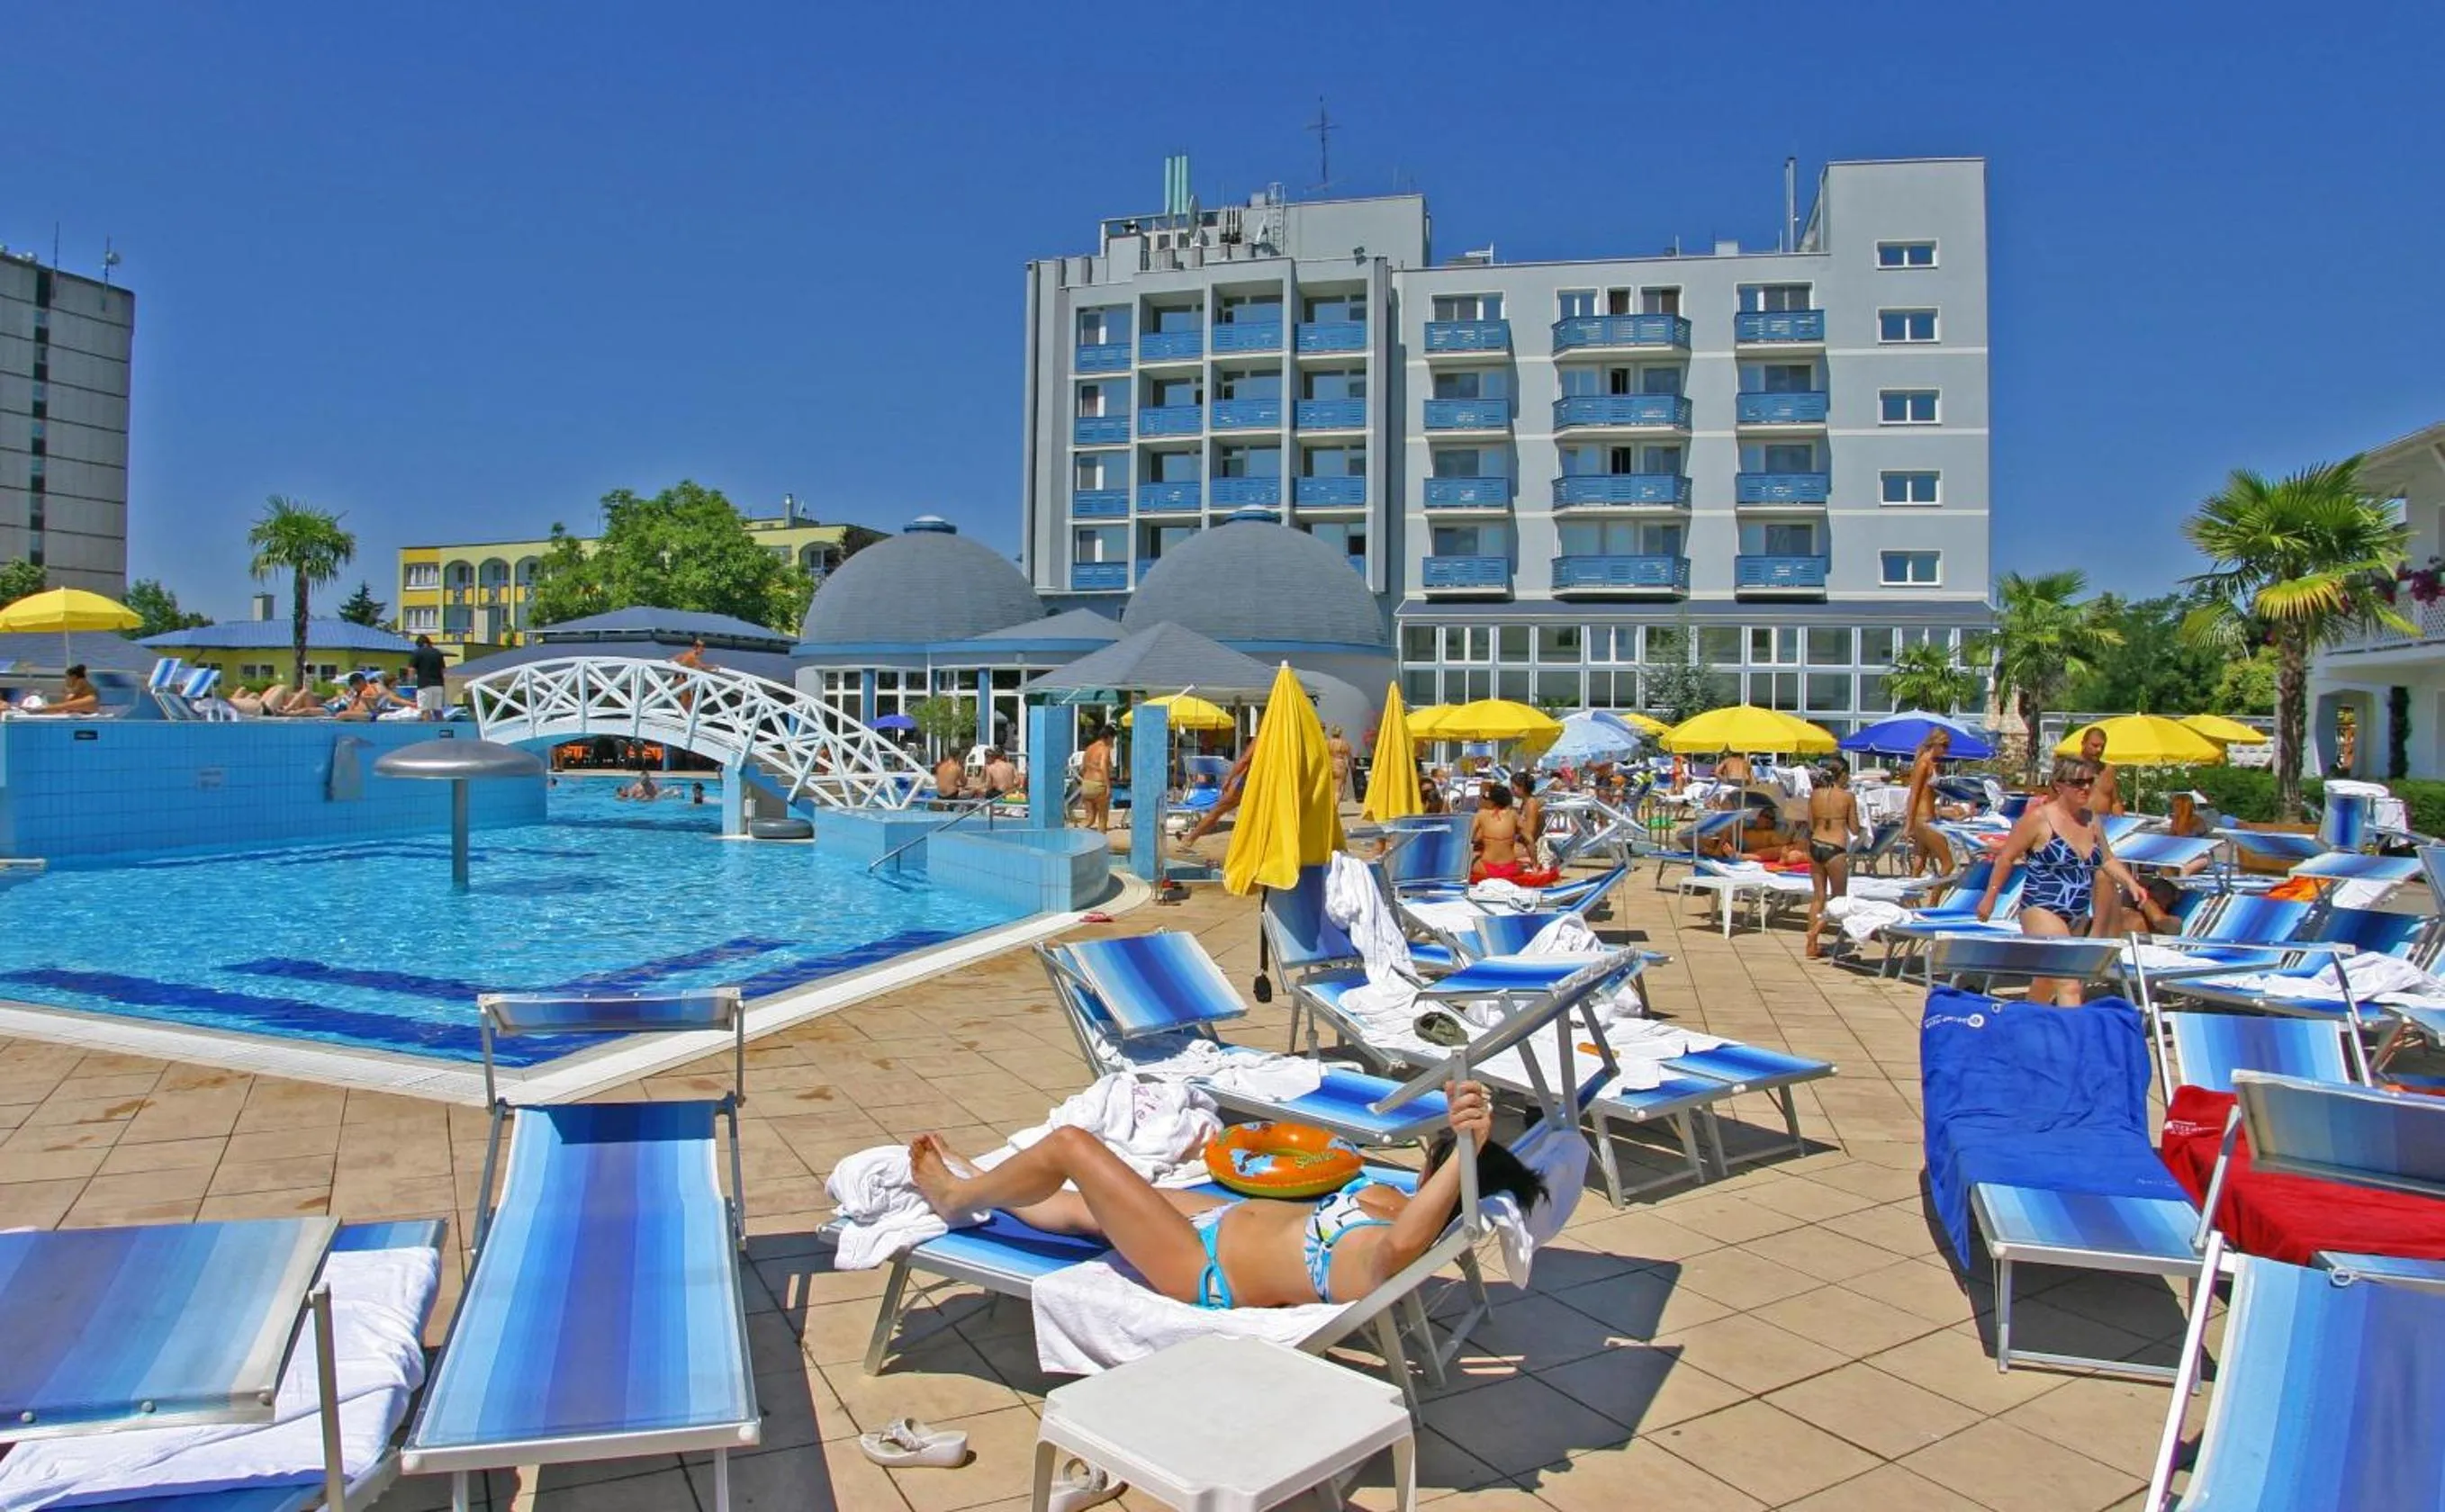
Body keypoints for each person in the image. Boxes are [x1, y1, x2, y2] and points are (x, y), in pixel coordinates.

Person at [907, 1080, 1541, 1312]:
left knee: (1072, 1146)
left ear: (1448, 1184)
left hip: (1202, 1268)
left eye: (1437, 1159)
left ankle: (958, 1196)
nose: (1426, 1159)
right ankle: (983, 1179)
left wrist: (1466, 1151)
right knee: (1083, 1206)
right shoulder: (1392, 1200)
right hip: (1221, 1221)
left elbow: (1402, 1244)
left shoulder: (1389, 1251)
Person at [1976, 756, 2144, 1006]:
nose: (2085, 788)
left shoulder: (2091, 820)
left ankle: (2026, 1021)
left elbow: (2106, 859)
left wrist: (2131, 883)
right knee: (2069, 983)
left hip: (2077, 914)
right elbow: (2007, 857)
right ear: (2059, 785)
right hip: (2042, 908)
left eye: (2089, 782)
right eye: (2077, 783)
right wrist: (1990, 898)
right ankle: (2073, 1032)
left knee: (2046, 981)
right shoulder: (2039, 818)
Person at [1804, 760, 1862, 959]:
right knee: (1838, 899)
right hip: (1835, 848)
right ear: (1843, 774)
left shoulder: (1815, 795)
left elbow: (1811, 825)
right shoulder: (1848, 796)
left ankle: (1811, 947)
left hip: (1816, 845)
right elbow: (1854, 828)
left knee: (1818, 897)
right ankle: (1814, 933)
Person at [1178, 745, 1254, 850]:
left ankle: (1189, 838)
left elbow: (1244, 760)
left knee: (1217, 811)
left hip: (1248, 782)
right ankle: (1190, 837)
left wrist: (1229, 779)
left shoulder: (1262, 738)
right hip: (1266, 783)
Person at [1905, 729, 1953, 878]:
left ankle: (1909, 892)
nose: (1946, 750)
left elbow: (1929, 793)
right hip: (1923, 819)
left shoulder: (1933, 764)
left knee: (1919, 862)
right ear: (1935, 743)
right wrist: (1909, 824)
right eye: (1944, 746)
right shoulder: (1923, 764)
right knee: (1948, 863)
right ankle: (1937, 893)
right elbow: (1914, 794)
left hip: (1928, 816)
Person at [1470, 781, 1525, 882]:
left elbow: (1469, 839)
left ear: (1492, 801)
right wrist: (1535, 864)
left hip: (1486, 869)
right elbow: (1529, 839)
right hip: (1510, 868)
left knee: (1474, 858)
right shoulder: (1514, 814)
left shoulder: (1481, 814)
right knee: (1521, 861)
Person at [2080, 727, 2124, 817]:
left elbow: (2115, 802)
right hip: (2076, 823)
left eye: (2102, 747)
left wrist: (2120, 821)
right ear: (2083, 744)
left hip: (2105, 823)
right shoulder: (2069, 769)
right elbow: (2054, 802)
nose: (2099, 750)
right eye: (2095, 745)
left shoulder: (2108, 770)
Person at [1077, 725, 1113, 831]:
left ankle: (1076, 832)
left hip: (1086, 784)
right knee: (1102, 819)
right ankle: (1102, 839)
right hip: (1099, 785)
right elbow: (1103, 766)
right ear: (1109, 737)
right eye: (1113, 738)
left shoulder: (1089, 748)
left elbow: (1082, 768)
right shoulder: (1105, 749)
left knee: (1089, 819)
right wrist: (1108, 786)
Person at [1510, 770, 1546, 870]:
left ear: (1522, 787)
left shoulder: (1531, 804)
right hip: (1525, 844)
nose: (1512, 791)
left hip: (1528, 847)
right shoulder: (1526, 802)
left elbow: (1529, 833)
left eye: (1513, 788)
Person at [409, 635, 450, 721]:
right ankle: (441, 727)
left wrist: (411, 682)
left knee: (425, 710)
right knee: (437, 710)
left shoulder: (417, 652)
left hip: (424, 685)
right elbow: (443, 670)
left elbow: (412, 669)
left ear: (419, 644)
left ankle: (427, 728)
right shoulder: (438, 653)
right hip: (438, 685)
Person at [1326, 725, 1355, 806]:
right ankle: (1335, 807)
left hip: (1330, 764)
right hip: (1340, 765)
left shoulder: (1327, 743)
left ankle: (1330, 806)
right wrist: (1352, 766)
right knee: (1338, 789)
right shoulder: (1344, 743)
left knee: (1330, 788)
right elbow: (1349, 756)